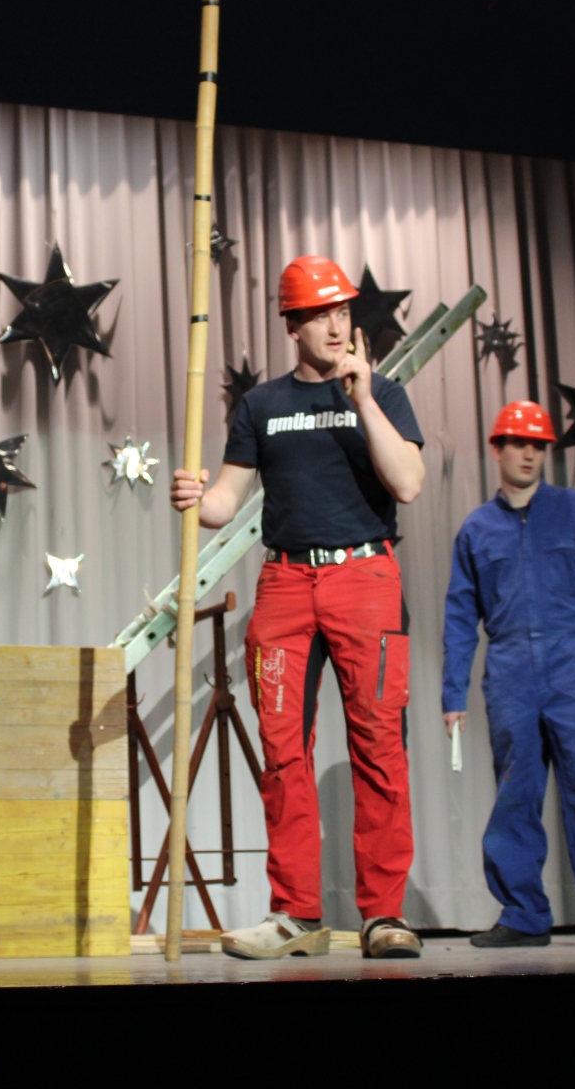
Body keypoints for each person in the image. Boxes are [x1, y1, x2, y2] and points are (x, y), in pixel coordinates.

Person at [170, 255, 428, 960]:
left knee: (379, 745)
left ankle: (383, 914)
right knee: (283, 752)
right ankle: (295, 913)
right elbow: (226, 501)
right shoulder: (261, 406)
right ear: (293, 325)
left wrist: (363, 399)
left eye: (343, 311)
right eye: (320, 315)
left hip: (364, 578)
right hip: (286, 584)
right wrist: (197, 497)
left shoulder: (384, 393)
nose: (337, 326)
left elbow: (407, 483)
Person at [441, 400, 575, 947]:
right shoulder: (477, 528)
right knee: (516, 794)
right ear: (497, 449)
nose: (529, 454)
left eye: (538, 446)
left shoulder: (574, 510)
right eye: (519, 443)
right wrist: (453, 693)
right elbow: (460, 614)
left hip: (572, 664)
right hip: (510, 671)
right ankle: (524, 914)